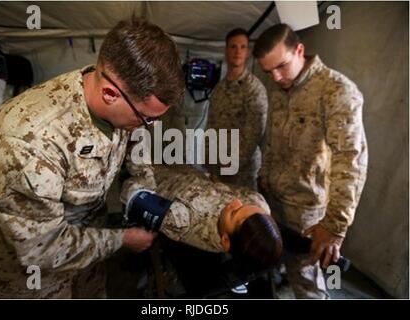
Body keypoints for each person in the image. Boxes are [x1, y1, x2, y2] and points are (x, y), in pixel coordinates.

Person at [0, 19, 184, 299]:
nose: (150, 127)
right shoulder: (25, 141)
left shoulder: (122, 102)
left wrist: (140, 190)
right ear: (110, 94)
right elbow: (41, 249)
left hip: (89, 246)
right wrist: (121, 239)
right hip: (30, 273)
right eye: (146, 118)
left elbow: (136, 147)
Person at [253, 24, 368, 298]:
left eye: (281, 66)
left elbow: (350, 160)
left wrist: (334, 226)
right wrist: (264, 177)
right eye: (268, 72)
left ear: (300, 50)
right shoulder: (281, 89)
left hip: (306, 211)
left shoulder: (336, 90)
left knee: (306, 282)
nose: (276, 77)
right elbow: (272, 141)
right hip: (274, 200)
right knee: (277, 263)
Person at [121, 165, 283, 271]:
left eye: (234, 212)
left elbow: (131, 195)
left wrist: (139, 164)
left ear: (226, 241)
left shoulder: (182, 220)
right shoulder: (259, 206)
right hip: (185, 169)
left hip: (153, 175)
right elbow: (224, 187)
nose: (236, 202)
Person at [205, 28, 268, 190]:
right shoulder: (219, 88)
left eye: (242, 47)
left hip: (240, 173)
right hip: (216, 167)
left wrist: (230, 164)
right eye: (233, 46)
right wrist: (208, 159)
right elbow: (210, 125)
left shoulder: (254, 89)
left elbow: (253, 135)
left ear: (248, 52)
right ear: (226, 51)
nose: (237, 51)